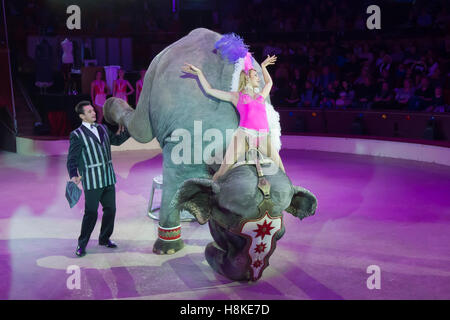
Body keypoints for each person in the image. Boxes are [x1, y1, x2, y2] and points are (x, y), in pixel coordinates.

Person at [182, 55, 285, 181]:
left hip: (263, 137)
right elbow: (209, 90)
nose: (259, 78)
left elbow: (269, 82)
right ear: (247, 78)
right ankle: (210, 195)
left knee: (281, 169)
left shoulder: (260, 96)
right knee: (222, 172)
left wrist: (263, 67)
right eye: (256, 76)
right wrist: (199, 73)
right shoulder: (236, 96)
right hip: (244, 136)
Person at [67, 101, 130, 257]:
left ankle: (104, 238)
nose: (94, 113)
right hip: (92, 180)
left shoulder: (102, 128)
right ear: (82, 116)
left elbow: (116, 141)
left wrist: (129, 131)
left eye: (93, 110)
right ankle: (82, 244)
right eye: (89, 112)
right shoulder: (76, 134)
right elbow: (72, 158)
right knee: (91, 213)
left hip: (108, 178)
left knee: (111, 210)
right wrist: (73, 175)